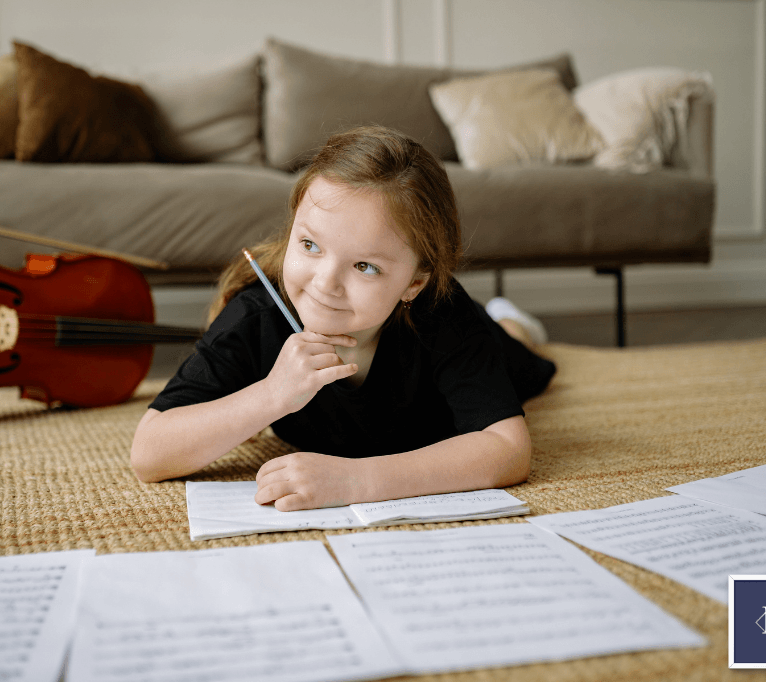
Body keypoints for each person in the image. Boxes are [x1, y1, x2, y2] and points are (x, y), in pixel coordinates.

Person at [130, 125, 556, 510]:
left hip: (475, 340)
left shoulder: (440, 313)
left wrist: (356, 481)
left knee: (519, 356)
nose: (325, 284)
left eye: (365, 267)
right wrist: (273, 393)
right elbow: (149, 453)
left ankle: (510, 322)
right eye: (311, 245)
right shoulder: (255, 315)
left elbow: (508, 449)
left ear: (414, 283)